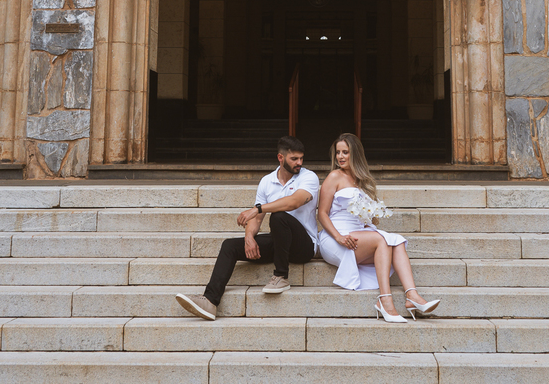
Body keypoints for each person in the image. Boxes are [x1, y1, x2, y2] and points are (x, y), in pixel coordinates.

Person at [176, 135, 320, 321]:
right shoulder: (267, 181)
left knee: (279, 217)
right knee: (230, 246)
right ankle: (210, 301)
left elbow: (294, 202)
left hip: (304, 246)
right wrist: (249, 237)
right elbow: (257, 219)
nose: (299, 162)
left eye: (301, 158)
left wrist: (258, 208)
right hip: (279, 242)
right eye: (294, 159)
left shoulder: (309, 177)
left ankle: (281, 276)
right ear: (280, 158)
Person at [317, 132, 441, 323]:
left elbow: (367, 220)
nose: (340, 157)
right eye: (338, 152)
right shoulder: (334, 176)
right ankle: (385, 300)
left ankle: (412, 296)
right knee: (380, 240)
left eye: (345, 152)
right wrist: (339, 237)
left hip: (359, 235)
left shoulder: (362, 182)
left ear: (355, 154)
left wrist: (371, 218)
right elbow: (322, 214)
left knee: (397, 241)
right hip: (335, 239)